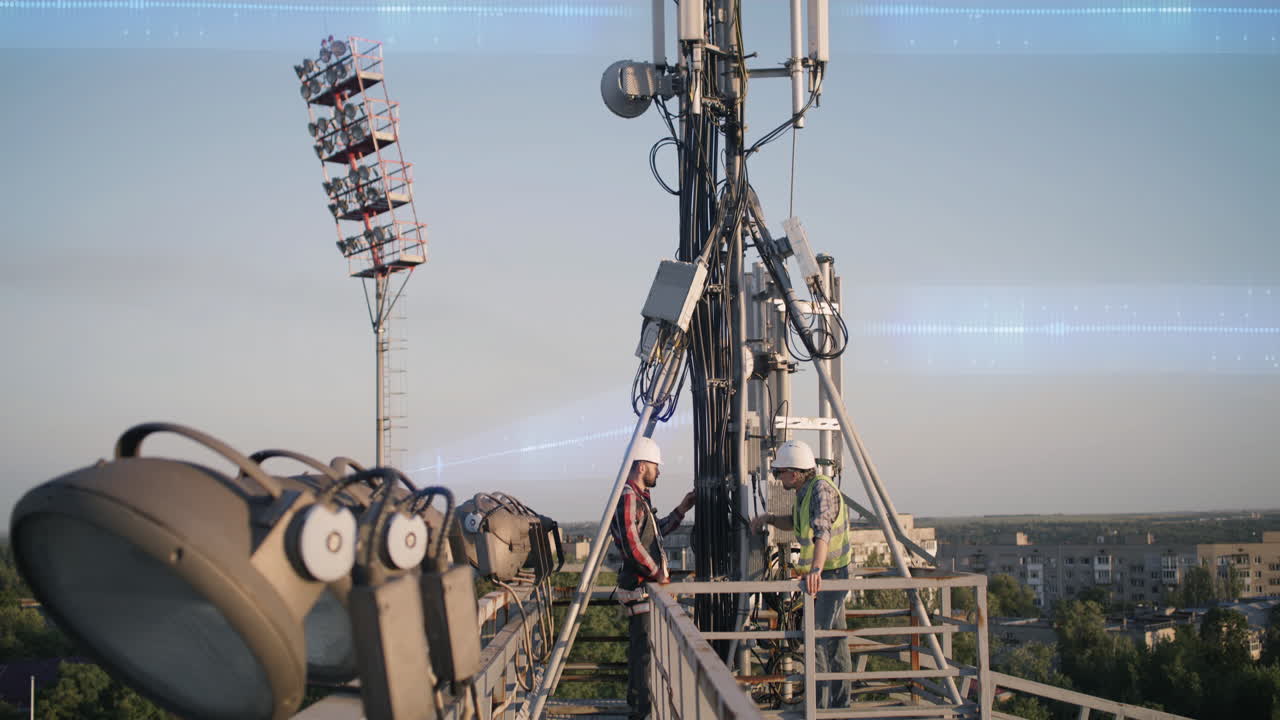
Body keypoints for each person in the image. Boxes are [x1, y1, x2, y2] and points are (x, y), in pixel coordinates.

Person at [749, 439, 852, 709]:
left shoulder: (820, 491)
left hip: (831, 574)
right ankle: (841, 706)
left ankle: (820, 708)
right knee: (835, 640)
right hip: (824, 575)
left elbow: (822, 532)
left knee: (815, 637)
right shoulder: (805, 493)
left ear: (794, 473)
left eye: (779, 472)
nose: (777, 477)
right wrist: (769, 519)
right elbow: (796, 524)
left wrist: (816, 570)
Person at [609, 436, 695, 720]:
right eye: (656, 466)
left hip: (645, 588)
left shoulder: (639, 498)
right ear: (642, 466)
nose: (659, 471)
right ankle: (642, 711)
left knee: (644, 650)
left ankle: (641, 708)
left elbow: (652, 534)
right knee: (644, 652)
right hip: (640, 588)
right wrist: (659, 575)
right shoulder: (628, 497)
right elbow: (633, 546)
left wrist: (681, 510)